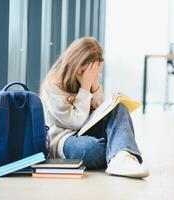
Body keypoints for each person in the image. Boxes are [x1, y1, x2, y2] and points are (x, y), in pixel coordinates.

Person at [40, 37, 149, 178]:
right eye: (85, 71)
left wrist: (95, 84)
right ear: (75, 62)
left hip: (86, 130)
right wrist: (85, 87)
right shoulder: (53, 85)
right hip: (64, 140)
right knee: (92, 149)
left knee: (119, 107)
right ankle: (119, 149)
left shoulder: (88, 79)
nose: (87, 75)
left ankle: (122, 157)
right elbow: (74, 122)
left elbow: (101, 112)